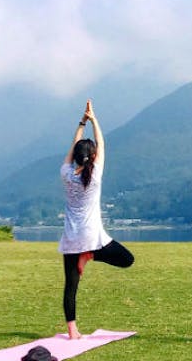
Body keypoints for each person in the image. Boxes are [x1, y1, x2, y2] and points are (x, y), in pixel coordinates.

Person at [59, 100, 134, 340]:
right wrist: (94, 120)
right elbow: (102, 144)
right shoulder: (95, 175)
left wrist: (81, 123)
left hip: (71, 240)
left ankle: (73, 332)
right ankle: (90, 254)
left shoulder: (66, 174)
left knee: (71, 287)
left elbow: (73, 149)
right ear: (92, 157)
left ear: (76, 158)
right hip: (92, 237)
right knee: (127, 260)